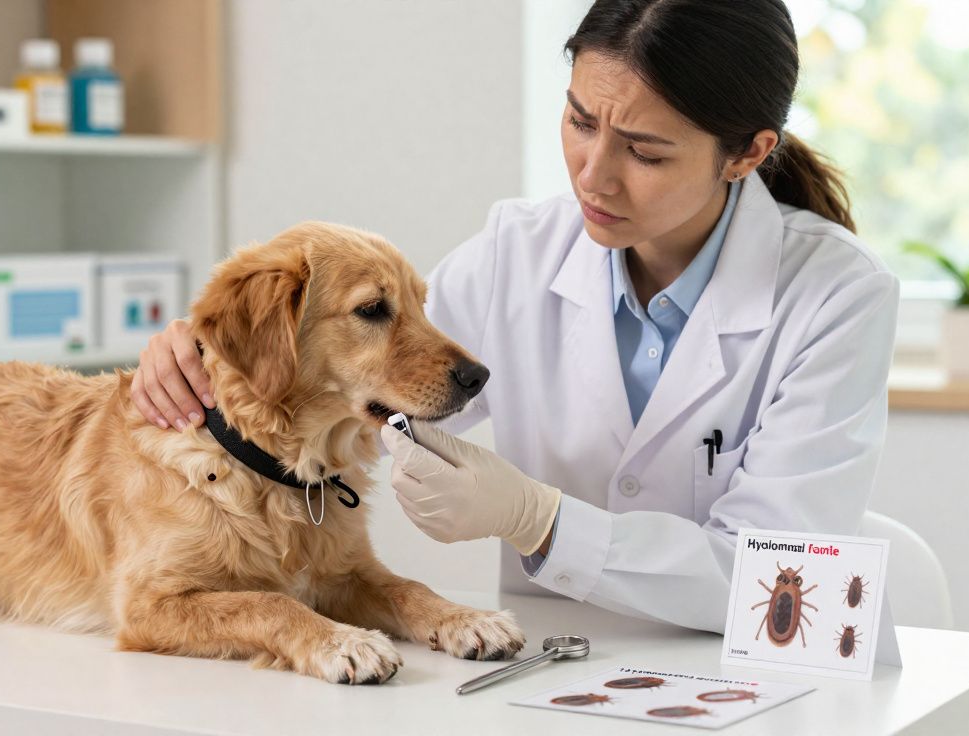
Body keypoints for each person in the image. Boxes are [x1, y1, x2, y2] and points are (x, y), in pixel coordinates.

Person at [129, 0, 900, 634]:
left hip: (757, 674)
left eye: (645, 151)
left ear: (744, 153)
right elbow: (364, 376)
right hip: (556, 665)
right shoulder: (519, 251)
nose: (593, 175)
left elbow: (782, 579)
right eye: (579, 120)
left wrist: (542, 521)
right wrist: (203, 354)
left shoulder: (837, 294)